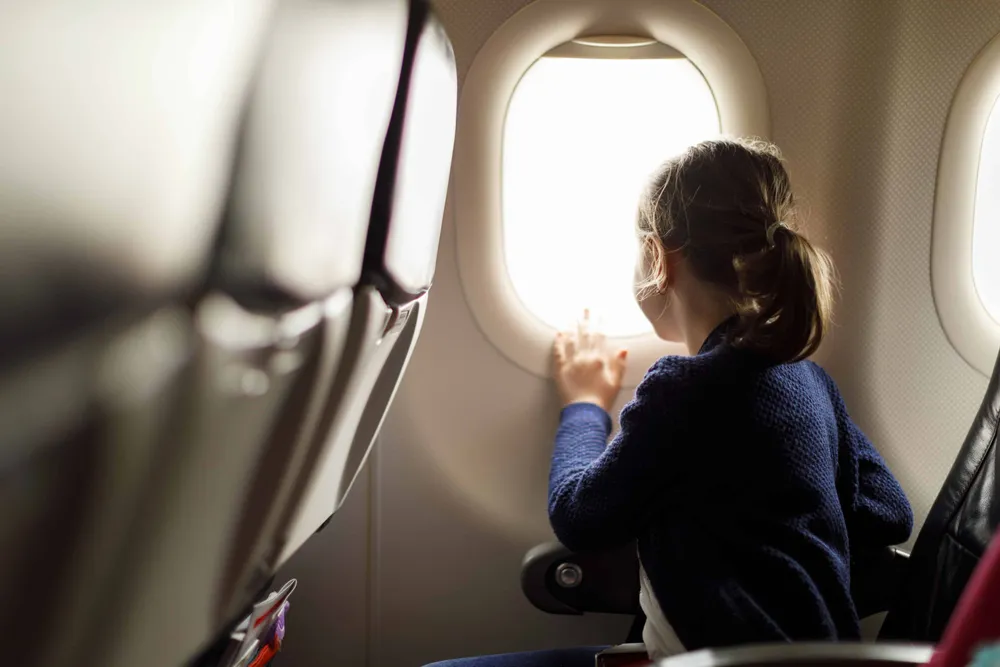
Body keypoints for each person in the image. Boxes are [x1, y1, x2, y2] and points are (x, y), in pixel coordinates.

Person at [425, 138, 913, 667]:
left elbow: (578, 516)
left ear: (658, 255)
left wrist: (586, 405)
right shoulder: (810, 381)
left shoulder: (682, 389)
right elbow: (890, 512)